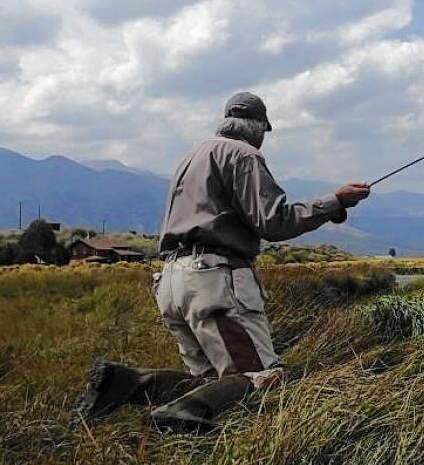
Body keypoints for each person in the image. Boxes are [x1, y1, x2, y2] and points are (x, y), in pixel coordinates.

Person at [75, 91, 370, 431]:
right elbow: (274, 221)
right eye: (264, 129)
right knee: (262, 376)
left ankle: (127, 383)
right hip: (214, 279)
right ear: (258, 125)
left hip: (171, 281)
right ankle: (170, 407)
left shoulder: (191, 157)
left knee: (211, 384)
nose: (263, 138)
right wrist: (334, 201)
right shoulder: (244, 155)